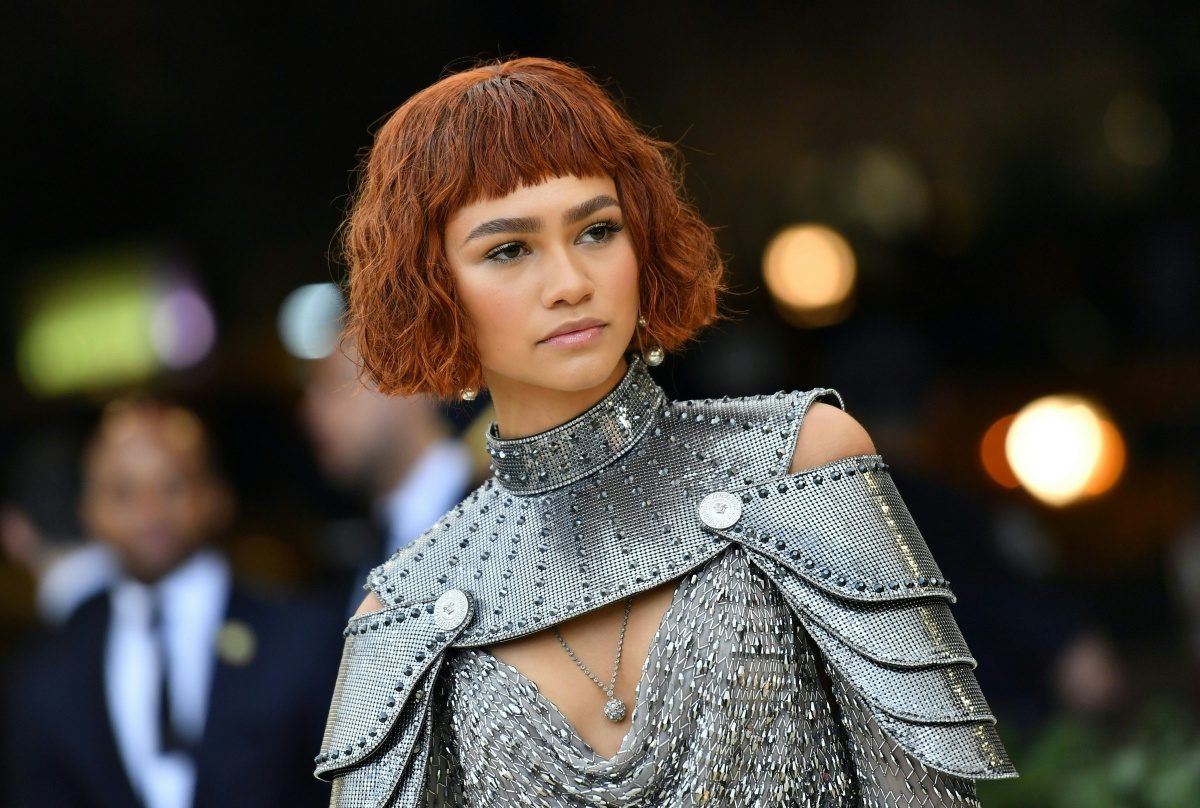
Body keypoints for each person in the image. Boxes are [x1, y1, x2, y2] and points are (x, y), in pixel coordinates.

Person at [315, 57, 1017, 806]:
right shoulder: (407, 612)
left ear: (641, 239)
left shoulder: (800, 461)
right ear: (434, 290)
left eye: (596, 229)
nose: (570, 282)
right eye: (509, 249)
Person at [2, 397, 343, 808]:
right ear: (88, 510)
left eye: (172, 485)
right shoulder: (45, 673)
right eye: (122, 492)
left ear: (217, 496)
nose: (149, 510)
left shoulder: (303, 642)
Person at [301, 339, 475, 615]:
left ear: (413, 384)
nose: (310, 412)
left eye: (334, 385)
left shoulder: (505, 509)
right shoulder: (346, 553)